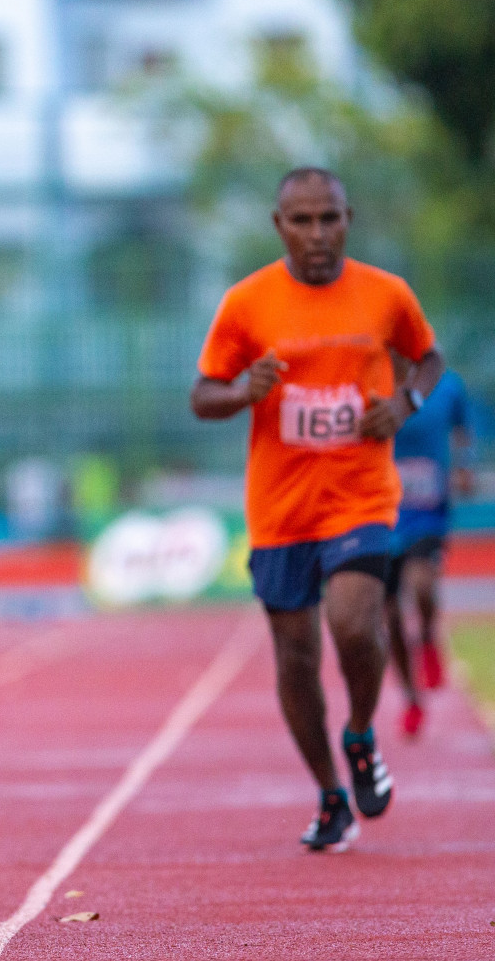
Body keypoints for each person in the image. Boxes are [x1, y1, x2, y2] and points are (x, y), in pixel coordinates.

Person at [190, 167, 443, 852]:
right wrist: (246, 389)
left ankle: (360, 731)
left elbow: (428, 358)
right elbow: (202, 396)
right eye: (301, 220)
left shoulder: (387, 294)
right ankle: (332, 795)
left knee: (354, 622)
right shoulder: (247, 303)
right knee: (296, 657)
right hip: (281, 509)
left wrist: (407, 403)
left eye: (328, 218)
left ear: (347, 219)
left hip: (361, 495)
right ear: (280, 227)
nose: (316, 233)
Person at [384, 358, 475, 736]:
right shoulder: (372, 382)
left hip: (428, 510)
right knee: (387, 617)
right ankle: (411, 697)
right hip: (383, 512)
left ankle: (429, 636)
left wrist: (463, 467)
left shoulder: (449, 385)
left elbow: (462, 429)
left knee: (422, 586)